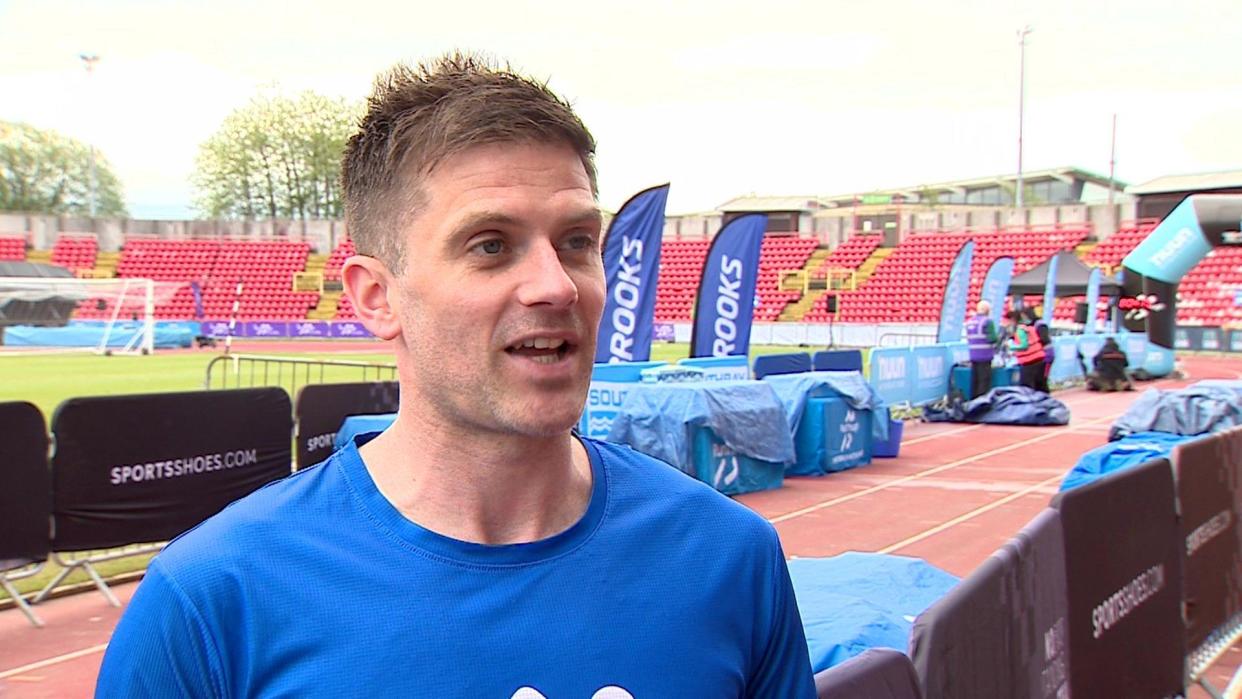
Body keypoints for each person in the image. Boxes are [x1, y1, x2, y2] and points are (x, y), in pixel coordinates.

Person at [96, 54, 815, 698]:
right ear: (378, 297)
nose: (557, 286)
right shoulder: (214, 601)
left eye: (576, 241)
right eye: (492, 245)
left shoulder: (729, 557)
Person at [964, 300, 999, 399]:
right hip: (985, 355)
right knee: (984, 382)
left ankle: (973, 402)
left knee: (975, 380)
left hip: (973, 355)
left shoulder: (970, 322)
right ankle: (982, 403)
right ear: (987, 310)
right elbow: (992, 338)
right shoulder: (987, 322)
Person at [1007, 308, 1045, 391]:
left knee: (1027, 386)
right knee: (1039, 385)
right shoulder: (1029, 327)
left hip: (1030, 360)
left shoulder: (1020, 330)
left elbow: (1024, 345)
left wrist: (1011, 346)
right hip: (1038, 357)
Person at [1024, 306, 1054, 393]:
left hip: (1046, 355)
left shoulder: (1040, 325)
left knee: (1042, 379)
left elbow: (1045, 339)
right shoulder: (1030, 326)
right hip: (1038, 355)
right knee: (1037, 379)